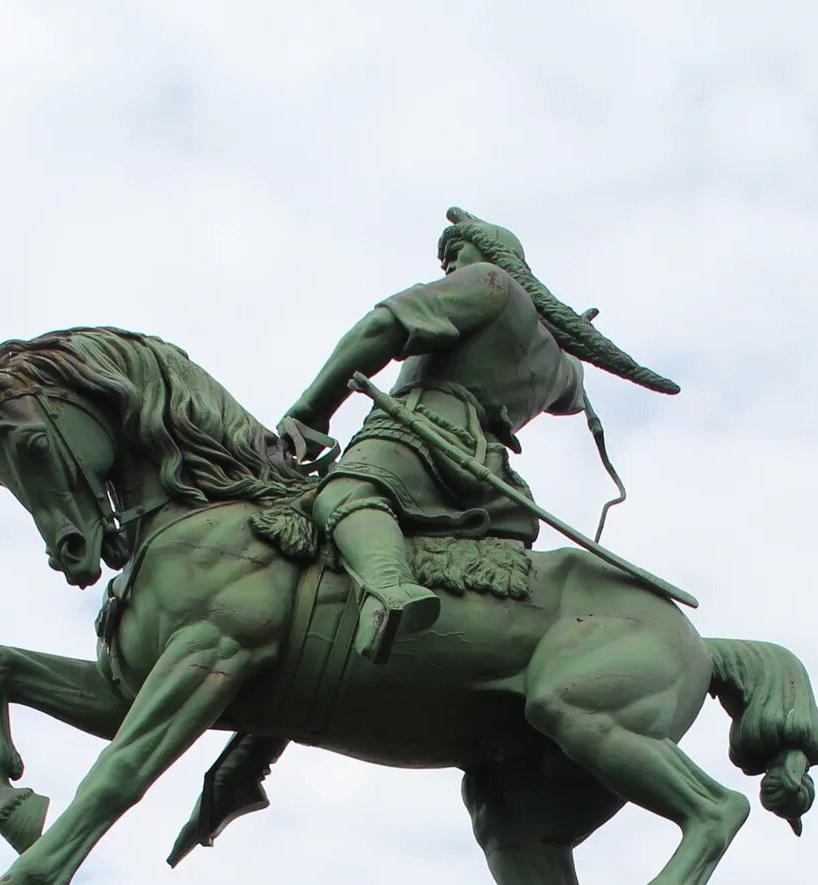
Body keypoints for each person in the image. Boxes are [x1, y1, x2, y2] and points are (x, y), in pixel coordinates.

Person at [277, 207, 679, 661]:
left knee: (341, 496)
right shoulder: (561, 363)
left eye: (455, 251)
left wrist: (311, 411)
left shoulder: (490, 283)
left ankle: (390, 589)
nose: (448, 266)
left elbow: (384, 327)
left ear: (492, 254)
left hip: (420, 440)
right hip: (491, 482)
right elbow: (571, 399)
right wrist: (560, 335)